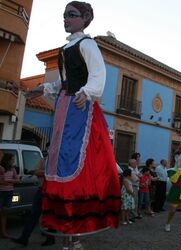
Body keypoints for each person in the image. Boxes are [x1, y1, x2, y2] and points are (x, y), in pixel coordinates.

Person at [25, 0, 121, 239]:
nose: (66, 19)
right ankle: (63, 216)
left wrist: (86, 93)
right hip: (64, 105)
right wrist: (45, 87)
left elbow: (98, 74)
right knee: (59, 156)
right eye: (65, 15)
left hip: (78, 106)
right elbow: (64, 81)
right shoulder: (66, 47)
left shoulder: (88, 45)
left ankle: (76, 217)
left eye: (72, 15)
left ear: (84, 18)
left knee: (74, 156)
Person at [11, 143, 56, 247]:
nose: (49, 149)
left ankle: (50, 238)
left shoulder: (57, 161)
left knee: (50, 215)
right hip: (41, 190)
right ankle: (24, 238)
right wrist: (46, 173)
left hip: (51, 191)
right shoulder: (43, 160)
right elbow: (35, 171)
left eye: (51, 147)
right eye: (48, 148)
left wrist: (44, 173)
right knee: (33, 214)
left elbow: (55, 174)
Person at [0, 153, 19, 238]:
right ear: (7, 160)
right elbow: (1, 181)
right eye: (12, 160)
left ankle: (3, 232)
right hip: (1, 192)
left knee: (4, 213)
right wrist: (9, 181)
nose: (13, 161)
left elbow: (18, 180)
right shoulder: (1, 169)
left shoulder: (13, 169)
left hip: (9, 192)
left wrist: (9, 181)